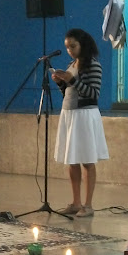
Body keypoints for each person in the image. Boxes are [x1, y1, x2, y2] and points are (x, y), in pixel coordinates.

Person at [51, 28, 109, 218]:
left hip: (84, 115)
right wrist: (61, 83)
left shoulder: (93, 65)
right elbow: (69, 94)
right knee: (72, 160)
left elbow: (93, 94)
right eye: (67, 47)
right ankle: (76, 203)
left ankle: (88, 205)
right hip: (69, 115)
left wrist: (72, 80)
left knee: (87, 161)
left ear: (83, 44)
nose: (70, 50)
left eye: (73, 46)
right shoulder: (71, 64)